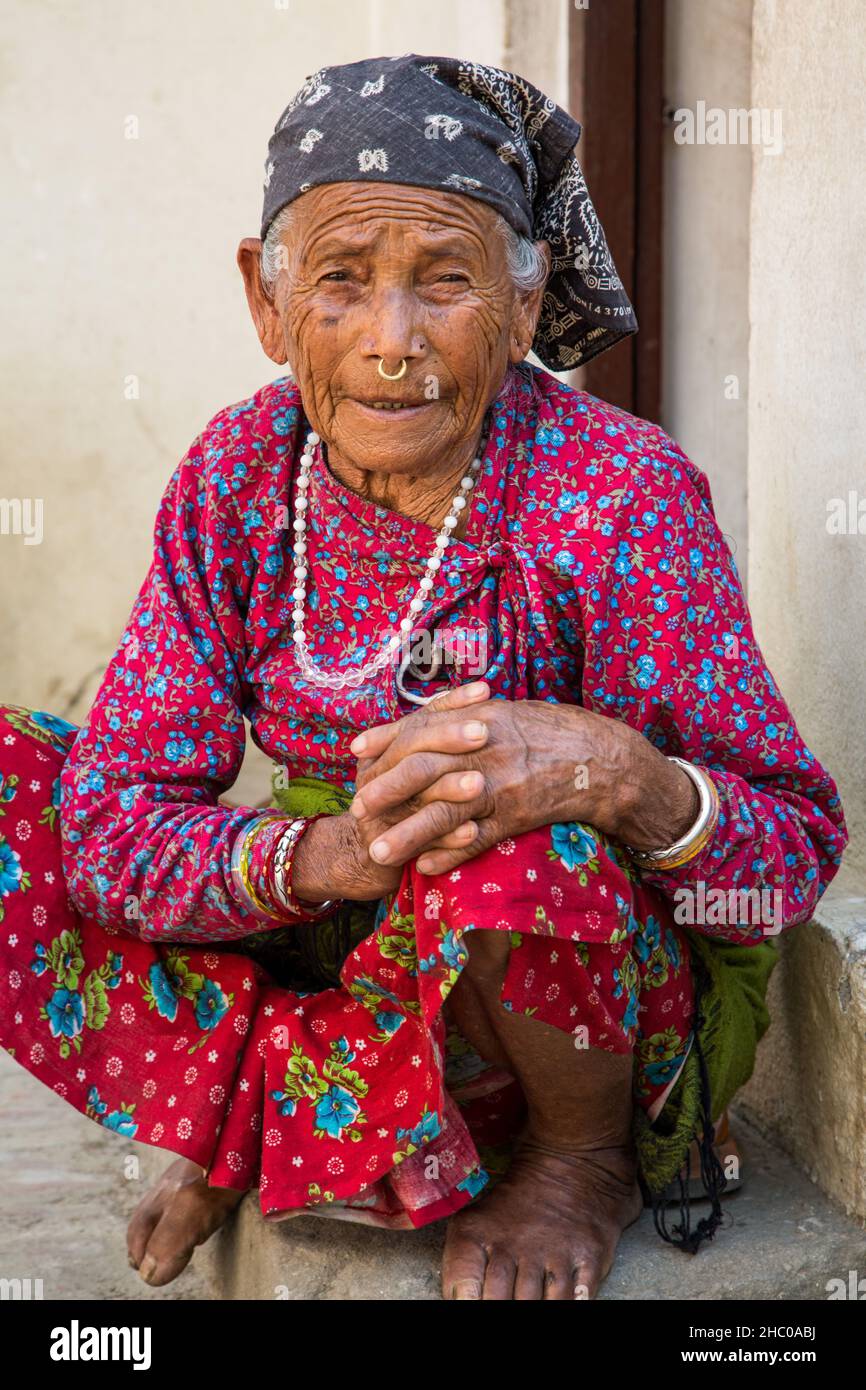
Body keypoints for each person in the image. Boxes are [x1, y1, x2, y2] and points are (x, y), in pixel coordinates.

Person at [0, 55, 846, 1301]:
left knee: (502, 839)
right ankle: (269, 1121)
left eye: (444, 282)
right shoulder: (240, 472)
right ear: (267, 300)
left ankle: (575, 1161)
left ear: (518, 307)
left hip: (565, 1001)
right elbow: (115, 824)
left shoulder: (614, 495)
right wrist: (328, 855)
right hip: (339, 932)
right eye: (340, 281)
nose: (392, 343)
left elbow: (788, 855)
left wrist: (614, 776)